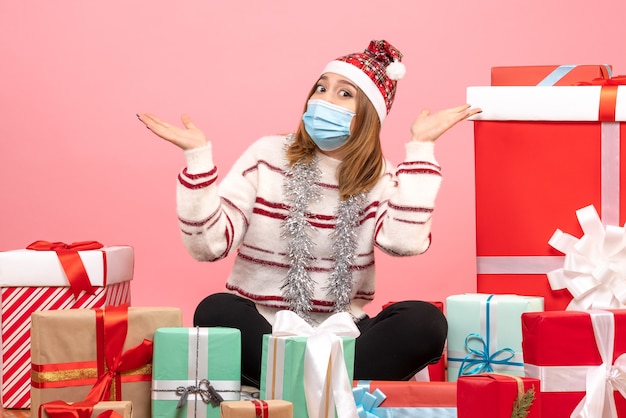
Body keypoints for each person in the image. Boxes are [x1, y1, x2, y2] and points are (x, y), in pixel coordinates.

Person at [137, 39, 481, 388]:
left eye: (344, 94)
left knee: (425, 321)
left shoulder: (379, 176)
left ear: (368, 115)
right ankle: (332, 387)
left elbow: (404, 242)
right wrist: (197, 159)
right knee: (215, 310)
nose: (323, 100)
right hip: (266, 330)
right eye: (320, 88)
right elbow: (208, 246)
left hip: (345, 332)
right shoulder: (267, 154)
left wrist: (421, 147)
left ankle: (295, 384)